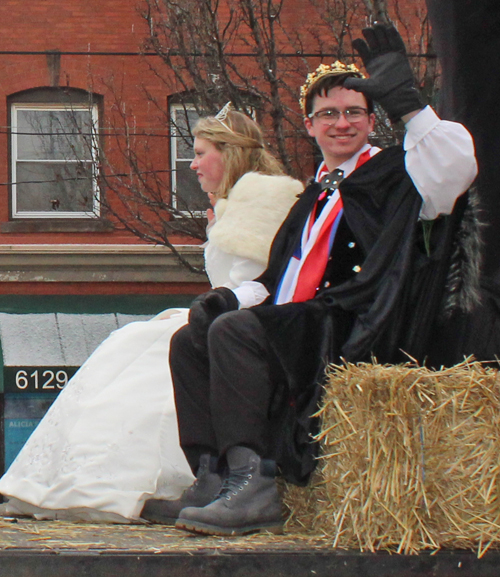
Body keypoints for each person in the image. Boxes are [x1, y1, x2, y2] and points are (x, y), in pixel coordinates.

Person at [143, 24, 478, 536]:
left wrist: (409, 106)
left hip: (354, 320)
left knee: (236, 333)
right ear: (309, 125)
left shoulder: (401, 173)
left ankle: (254, 484)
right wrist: (230, 296)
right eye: (328, 114)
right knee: (193, 338)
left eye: (353, 113)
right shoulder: (313, 193)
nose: (341, 124)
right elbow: (281, 274)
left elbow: (457, 170)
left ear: (371, 119)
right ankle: (213, 477)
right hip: (297, 316)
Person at [0, 110, 303, 523]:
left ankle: (197, 477)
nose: (192, 164)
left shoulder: (262, 201)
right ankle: (204, 475)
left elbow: (267, 284)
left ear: (229, 154)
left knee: (144, 359)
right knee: (128, 344)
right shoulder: (232, 204)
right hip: (220, 317)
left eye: (199, 153)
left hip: (245, 327)